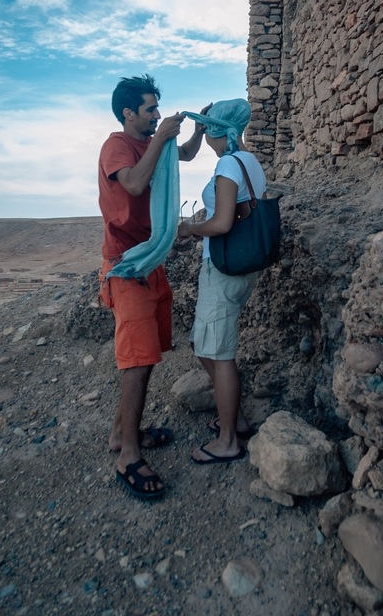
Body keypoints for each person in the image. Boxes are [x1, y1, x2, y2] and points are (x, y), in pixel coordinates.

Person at [98, 74, 210, 498]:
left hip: (151, 257)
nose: (157, 115)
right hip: (127, 265)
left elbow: (182, 154)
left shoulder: (150, 142)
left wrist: (196, 132)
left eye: (157, 110)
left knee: (148, 353)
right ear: (129, 113)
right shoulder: (117, 145)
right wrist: (161, 137)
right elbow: (133, 183)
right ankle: (128, 455)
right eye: (150, 110)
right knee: (138, 359)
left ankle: (120, 434)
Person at [177, 99, 266, 464]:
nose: (206, 135)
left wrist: (188, 229)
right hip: (243, 264)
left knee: (217, 352)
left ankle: (229, 439)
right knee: (206, 344)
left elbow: (222, 224)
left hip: (224, 267)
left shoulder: (228, 163)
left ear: (216, 130)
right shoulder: (249, 161)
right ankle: (237, 419)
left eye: (207, 127)